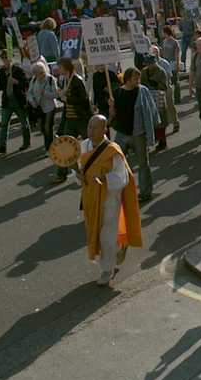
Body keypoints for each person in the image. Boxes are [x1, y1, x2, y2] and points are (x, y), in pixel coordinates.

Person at [75, 115, 142, 286]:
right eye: (89, 127)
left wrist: (105, 178)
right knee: (94, 232)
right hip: (90, 198)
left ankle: (106, 270)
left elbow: (123, 178)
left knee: (106, 236)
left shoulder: (113, 150)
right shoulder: (83, 146)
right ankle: (119, 247)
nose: (90, 131)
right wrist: (78, 176)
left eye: (94, 127)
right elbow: (80, 171)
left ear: (104, 129)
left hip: (109, 200)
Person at [109, 67, 160, 203]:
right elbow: (114, 115)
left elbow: (151, 109)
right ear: (127, 79)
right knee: (116, 163)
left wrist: (153, 129)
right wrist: (111, 109)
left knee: (143, 164)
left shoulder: (142, 91)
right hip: (122, 133)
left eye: (138, 78)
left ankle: (145, 192)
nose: (138, 81)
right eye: (135, 79)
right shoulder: (118, 93)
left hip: (138, 133)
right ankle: (119, 190)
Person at [54, 57, 92, 183]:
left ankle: (93, 168)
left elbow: (83, 100)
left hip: (81, 119)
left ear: (66, 67)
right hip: (70, 119)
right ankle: (62, 173)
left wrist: (66, 99)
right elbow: (66, 98)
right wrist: (61, 97)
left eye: (60, 66)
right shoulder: (64, 79)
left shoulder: (77, 80)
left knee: (90, 144)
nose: (58, 69)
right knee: (64, 146)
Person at [0, 49, 31, 154]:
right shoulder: (1, 71)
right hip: (7, 101)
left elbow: (26, 84)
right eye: (2, 58)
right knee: (4, 124)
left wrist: (17, 82)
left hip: (18, 101)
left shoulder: (17, 70)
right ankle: (2, 146)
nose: (4, 60)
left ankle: (26, 142)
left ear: (10, 58)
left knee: (24, 123)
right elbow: (1, 85)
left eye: (6, 58)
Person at [140, 54, 170, 151]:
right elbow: (142, 84)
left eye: (151, 63)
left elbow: (165, 86)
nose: (149, 65)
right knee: (149, 121)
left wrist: (155, 84)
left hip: (159, 99)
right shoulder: (144, 72)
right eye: (147, 64)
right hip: (148, 99)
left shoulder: (161, 71)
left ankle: (162, 141)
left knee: (161, 121)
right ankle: (151, 141)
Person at [27, 60, 58, 151]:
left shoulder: (50, 79)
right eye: (36, 74)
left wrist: (45, 93)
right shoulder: (34, 80)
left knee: (47, 127)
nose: (39, 76)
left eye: (40, 73)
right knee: (42, 128)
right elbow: (30, 93)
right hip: (39, 108)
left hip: (50, 107)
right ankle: (54, 138)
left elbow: (55, 94)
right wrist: (32, 102)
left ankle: (49, 148)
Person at [151, 44, 179, 134]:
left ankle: (175, 123)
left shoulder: (164, 63)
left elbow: (169, 75)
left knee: (170, 106)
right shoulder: (150, 64)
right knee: (160, 110)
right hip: (156, 90)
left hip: (166, 87)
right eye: (153, 52)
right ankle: (162, 128)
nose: (155, 54)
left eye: (156, 52)